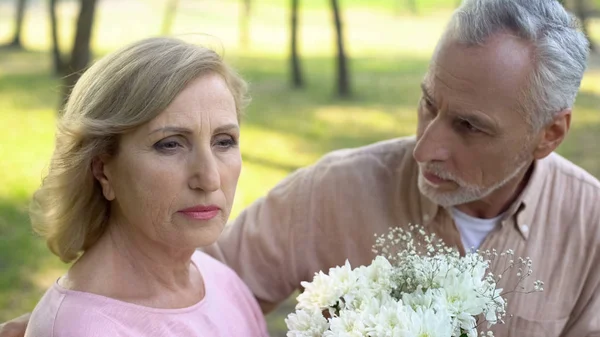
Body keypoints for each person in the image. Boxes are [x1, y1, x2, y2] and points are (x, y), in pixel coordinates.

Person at [1, 0, 599, 336]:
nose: (424, 148)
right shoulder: (334, 189)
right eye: (427, 104)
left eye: (468, 127)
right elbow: (165, 287)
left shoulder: (591, 230)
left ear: (550, 134)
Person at [14, 37, 268, 336]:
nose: (210, 179)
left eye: (223, 141)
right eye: (170, 144)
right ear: (103, 171)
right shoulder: (83, 328)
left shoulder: (220, 281)